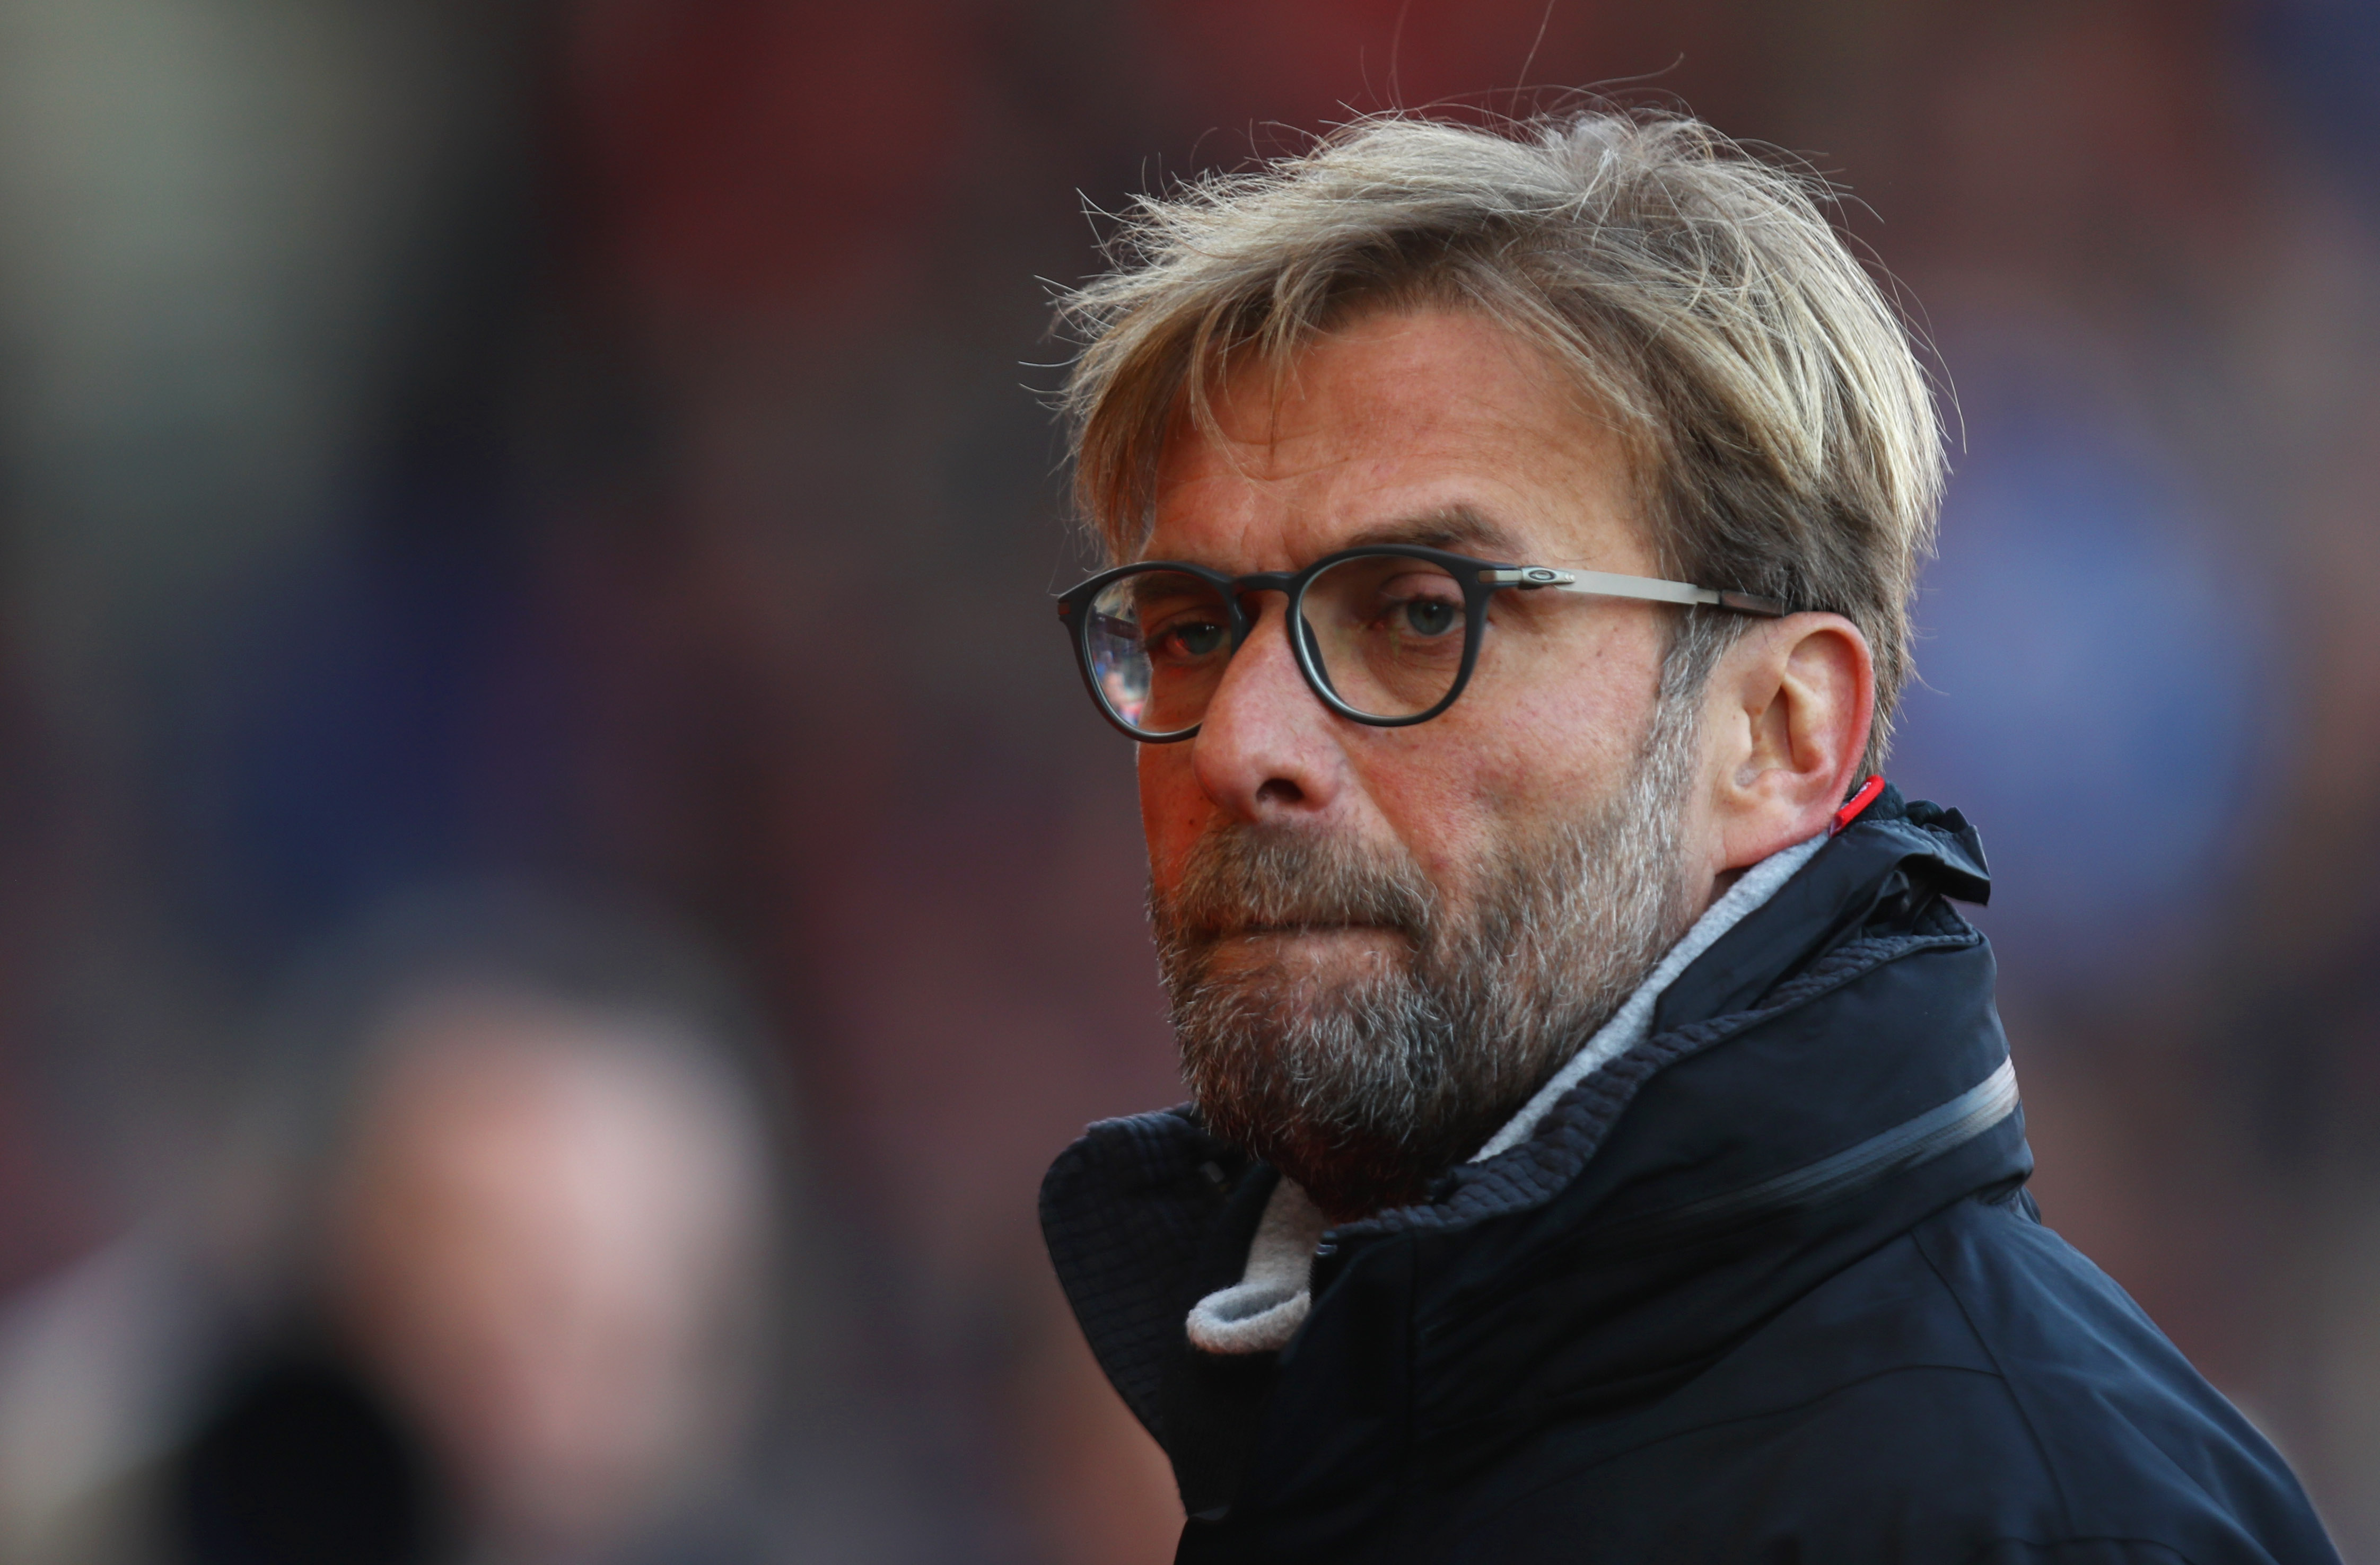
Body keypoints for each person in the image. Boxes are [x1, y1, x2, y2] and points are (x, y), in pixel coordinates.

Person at [1035, 110, 2339, 1562]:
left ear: (1781, 733)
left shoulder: (2050, 1521)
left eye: (1419, 615)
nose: (1238, 745)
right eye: (1190, 630)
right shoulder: (1319, 1433)